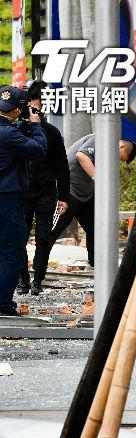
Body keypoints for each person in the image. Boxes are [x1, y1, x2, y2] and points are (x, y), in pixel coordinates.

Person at [30, 133, 136, 289]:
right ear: (122, 147)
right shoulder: (100, 138)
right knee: (51, 232)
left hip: (85, 195)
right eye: (121, 158)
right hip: (68, 192)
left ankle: (95, 268)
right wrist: (98, 178)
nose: (118, 161)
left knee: (96, 229)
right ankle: (37, 277)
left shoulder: (108, 154)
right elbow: (81, 156)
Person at [17, 81, 69, 296]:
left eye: (37, 108)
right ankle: (22, 280)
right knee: (19, 237)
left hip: (46, 192)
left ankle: (38, 280)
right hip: (21, 192)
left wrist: (64, 197)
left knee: (43, 238)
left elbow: (62, 166)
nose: (34, 113)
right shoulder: (16, 131)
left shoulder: (52, 133)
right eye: (31, 108)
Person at [0, 85, 47, 317]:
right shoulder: (9, 135)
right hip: (6, 200)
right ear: (18, 110)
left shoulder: (8, 131)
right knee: (12, 252)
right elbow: (38, 150)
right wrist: (36, 125)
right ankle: (3, 305)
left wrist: (24, 126)